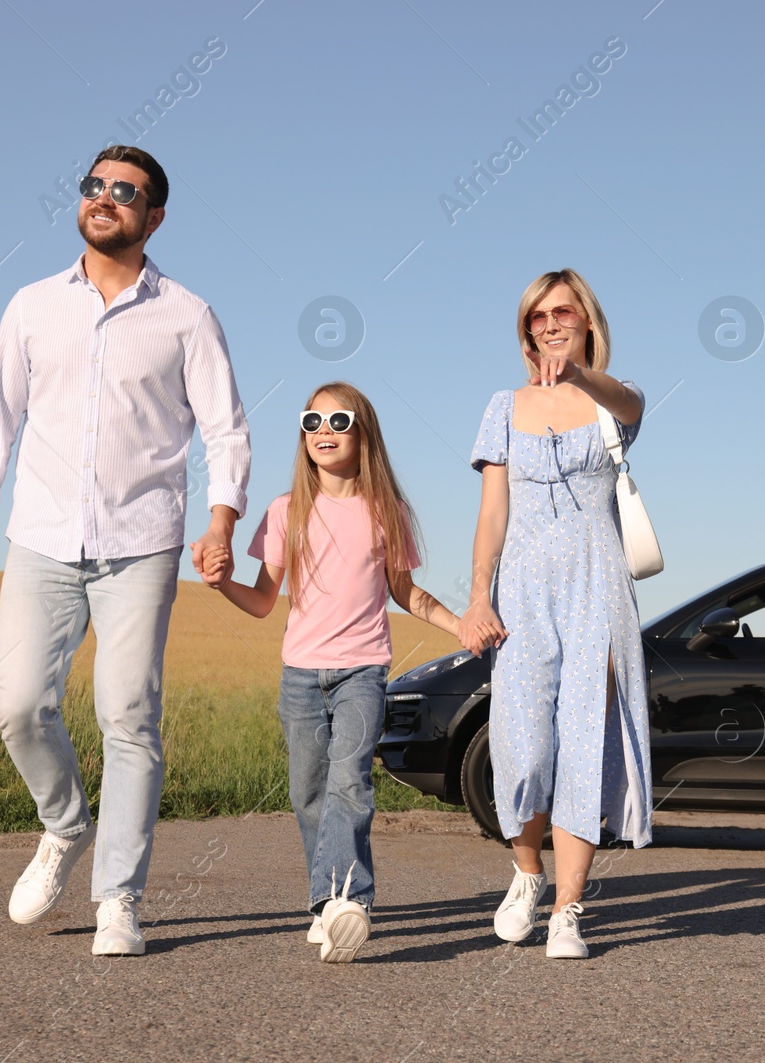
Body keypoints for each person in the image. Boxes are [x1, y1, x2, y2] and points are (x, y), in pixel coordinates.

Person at [0, 145, 250, 957]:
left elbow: (226, 429)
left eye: (126, 192)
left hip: (141, 540)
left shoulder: (186, 314)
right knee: (17, 700)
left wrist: (222, 519)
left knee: (128, 715)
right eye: (95, 186)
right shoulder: (30, 305)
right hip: (42, 535)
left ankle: (119, 898)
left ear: (154, 217)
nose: (105, 199)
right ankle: (64, 825)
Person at [196, 382, 459, 963]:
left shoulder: (387, 511)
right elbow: (265, 601)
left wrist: (460, 625)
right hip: (300, 677)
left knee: (350, 783)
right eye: (311, 422)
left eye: (338, 420)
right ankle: (326, 907)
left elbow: (405, 592)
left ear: (363, 430)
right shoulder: (286, 511)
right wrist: (221, 585)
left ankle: (349, 901)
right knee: (308, 792)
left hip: (362, 672)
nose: (323, 432)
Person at [460, 268, 650, 960]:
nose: (548, 325)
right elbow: (492, 512)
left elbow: (629, 403)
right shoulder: (502, 405)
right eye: (536, 318)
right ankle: (526, 872)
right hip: (523, 591)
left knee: (583, 742)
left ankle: (570, 909)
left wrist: (579, 375)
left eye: (562, 312)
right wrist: (479, 593)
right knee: (520, 742)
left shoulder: (612, 401)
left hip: (597, 585)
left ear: (588, 320)